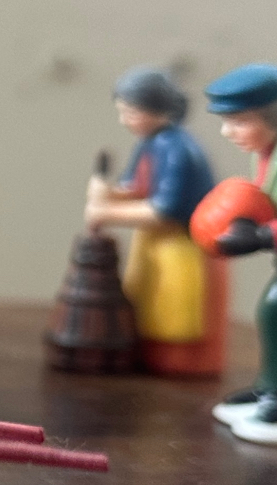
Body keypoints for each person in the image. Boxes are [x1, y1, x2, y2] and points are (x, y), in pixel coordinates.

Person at [83, 68, 224, 376]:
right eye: (122, 112)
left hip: (181, 244)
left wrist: (106, 213)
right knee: (143, 304)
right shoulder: (149, 144)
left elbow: (164, 210)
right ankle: (146, 355)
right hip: (151, 242)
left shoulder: (179, 150)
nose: (124, 120)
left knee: (172, 308)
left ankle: (175, 363)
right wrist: (108, 193)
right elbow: (136, 189)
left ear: (156, 109)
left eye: (130, 112)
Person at [202, 64, 277, 427]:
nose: (227, 131)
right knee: (272, 313)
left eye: (239, 121)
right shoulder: (265, 151)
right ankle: (271, 386)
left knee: (275, 308)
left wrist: (262, 236)